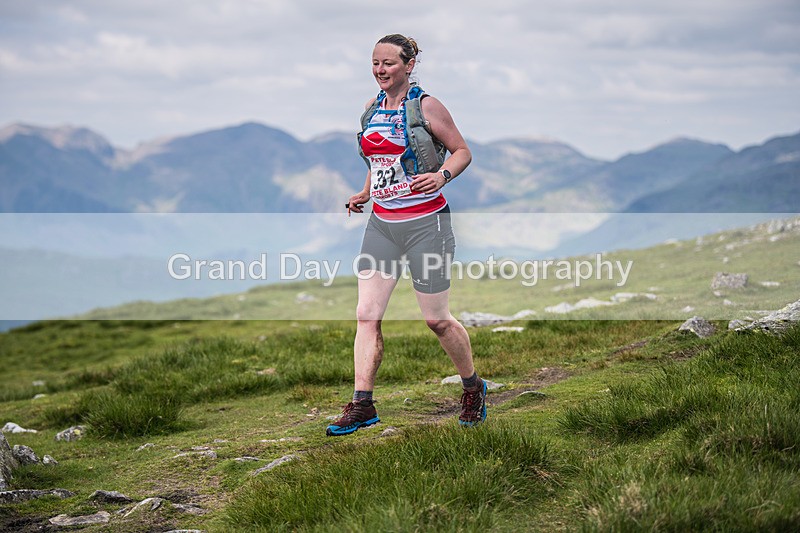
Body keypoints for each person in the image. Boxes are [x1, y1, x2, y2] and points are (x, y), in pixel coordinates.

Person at [326, 34, 486, 436]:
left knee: (436, 320)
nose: (380, 70)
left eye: (389, 63)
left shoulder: (427, 106)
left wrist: (442, 175)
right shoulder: (371, 109)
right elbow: (381, 158)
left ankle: (473, 388)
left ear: (409, 65)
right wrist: (366, 192)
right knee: (367, 315)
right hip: (382, 225)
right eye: (375, 63)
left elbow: (462, 151)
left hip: (426, 225)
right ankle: (363, 404)